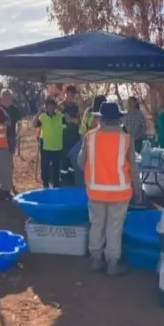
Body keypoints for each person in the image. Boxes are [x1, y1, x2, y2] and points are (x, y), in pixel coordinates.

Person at [78, 101, 143, 276]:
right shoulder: (126, 138)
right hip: (120, 192)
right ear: (118, 119)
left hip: (95, 191)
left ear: (102, 119)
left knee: (97, 224)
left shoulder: (90, 137)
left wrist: (93, 172)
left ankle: (96, 260)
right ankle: (113, 263)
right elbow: (134, 168)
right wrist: (138, 189)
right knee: (114, 227)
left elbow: (80, 162)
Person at [33, 98, 66, 188]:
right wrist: (39, 112)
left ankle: (56, 186)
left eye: (52, 106)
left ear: (55, 107)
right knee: (45, 168)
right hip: (45, 147)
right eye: (48, 106)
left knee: (56, 169)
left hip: (57, 147)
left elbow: (67, 123)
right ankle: (45, 185)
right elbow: (34, 124)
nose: (50, 108)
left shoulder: (60, 117)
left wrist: (61, 110)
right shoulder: (42, 117)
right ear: (45, 107)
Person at [58, 85, 81, 185]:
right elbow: (63, 118)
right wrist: (72, 120)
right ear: (65, 93)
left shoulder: (75, 107)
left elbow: (78, 121)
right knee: (64, 159)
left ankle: (72, 179)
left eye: (72, 94)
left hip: (74, 137)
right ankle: (63, 179)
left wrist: (71, 120)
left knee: (73, 158)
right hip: (63, 137)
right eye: (69, 93)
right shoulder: (60, 105)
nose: (70, 96)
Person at [1, 89, 22, 193]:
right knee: (0, 161)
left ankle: (10, 181)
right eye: (4, 96)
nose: (6, 98)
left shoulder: (15, 110)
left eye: (8, 96)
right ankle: (2, 182)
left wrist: (18, 135)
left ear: (11, 97)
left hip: (11, 137)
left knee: (9, 161)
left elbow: (20, 124)